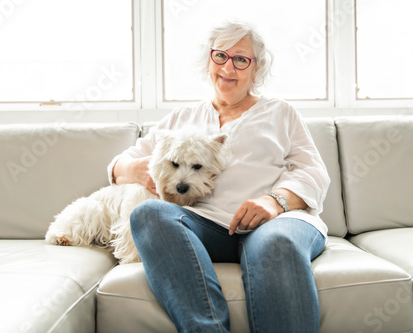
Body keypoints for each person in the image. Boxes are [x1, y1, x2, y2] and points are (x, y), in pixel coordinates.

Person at [107, 19, 330, 333]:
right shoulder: (182, 118)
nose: (229, 67)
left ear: (256, 69)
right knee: (148, 214)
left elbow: (313, 172)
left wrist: (274, 201)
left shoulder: (280, 113)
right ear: (209, 61)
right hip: (204, 226)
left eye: (241, 59)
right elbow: (120, 165)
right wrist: (138, 170)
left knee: (276, 243)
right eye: (220, 56)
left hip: (275, 223)